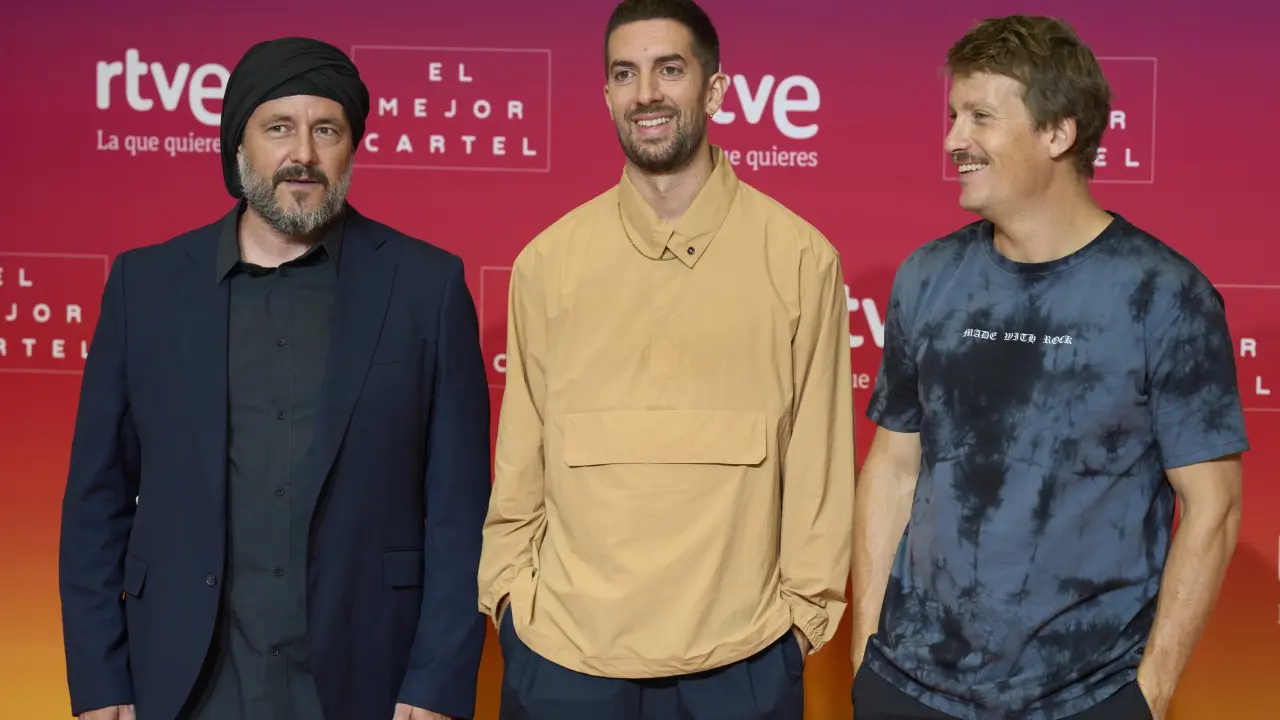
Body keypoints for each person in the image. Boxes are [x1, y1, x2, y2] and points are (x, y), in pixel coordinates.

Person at [58, 37, 491, 720]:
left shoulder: (425, 288)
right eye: (279, 128)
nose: (304, 155)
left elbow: (462, 513)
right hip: (182, 682)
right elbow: (95, 503)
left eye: (327, 130)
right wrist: (99, 678)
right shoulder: (145, 287)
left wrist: (437, 681)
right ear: (239, 145)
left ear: (351, 147)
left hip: (366, 681)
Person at [851, 14, 1249, 720]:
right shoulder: (928, 277)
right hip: (907, 687)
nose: (953, 139)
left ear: (1058, 133)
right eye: (952, 116)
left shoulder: (1165, 295)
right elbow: (893, 468)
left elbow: (1212, 505)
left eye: (980, 117)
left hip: (1083, 696)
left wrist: (1149, 695)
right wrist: (865, 658)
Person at [476, 0, 855, 718]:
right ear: (607, 96)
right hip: (561, 659)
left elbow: (820, 467)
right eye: (626, 74)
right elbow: (521, 462)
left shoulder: (801, 260)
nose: (646, 93)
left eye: (669, 70)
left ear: (714, 90)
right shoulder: (548, 263)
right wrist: (509, 598)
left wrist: (801, 623)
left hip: (744, 662)